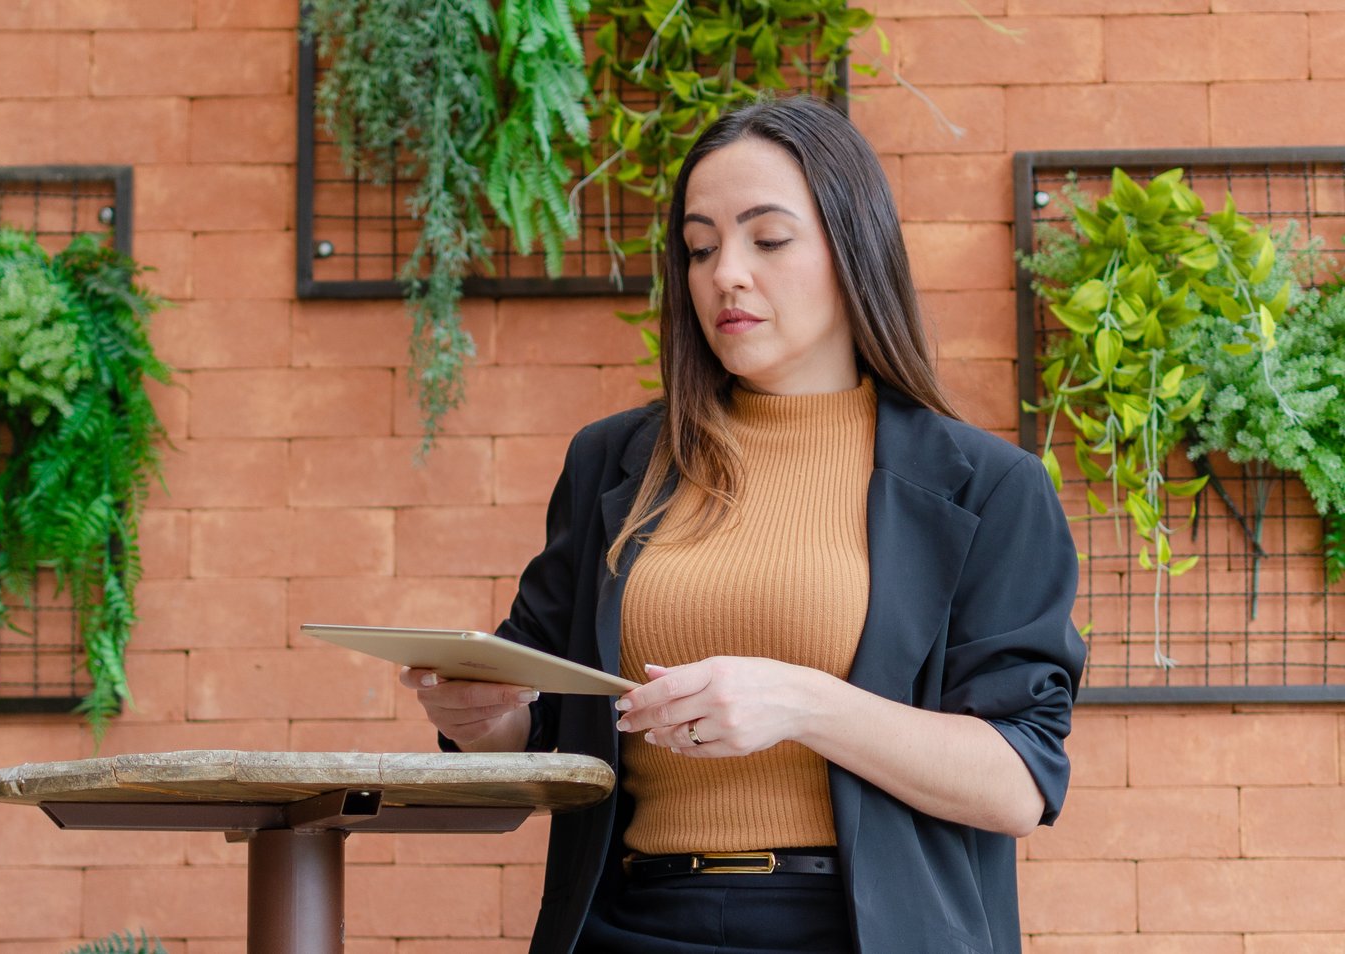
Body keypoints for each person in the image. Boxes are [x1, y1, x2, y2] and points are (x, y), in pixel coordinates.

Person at [400, 95, 1085, 954]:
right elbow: (540, 728)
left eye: (768, 239)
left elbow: (1018, 782)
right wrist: (480, 719)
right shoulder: (611, 463)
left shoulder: (989, 488)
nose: (726, 273)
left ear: (854, 250)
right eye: (699, 247)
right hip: (628, 924)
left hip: (865, 933)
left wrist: (803, 704)